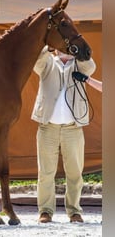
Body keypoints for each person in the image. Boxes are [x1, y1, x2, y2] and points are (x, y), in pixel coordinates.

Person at [31, 46, 96, 223]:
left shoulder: (80, 64)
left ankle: (74, 211)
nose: (62, 50)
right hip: (47, 127)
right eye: (60, 47)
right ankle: (45, 211)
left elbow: (91, 67)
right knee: (45, 172)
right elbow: (36, 62)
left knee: (75, 172)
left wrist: (78, 51)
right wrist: (47, 48)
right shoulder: (48, 62)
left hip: (73, 127)